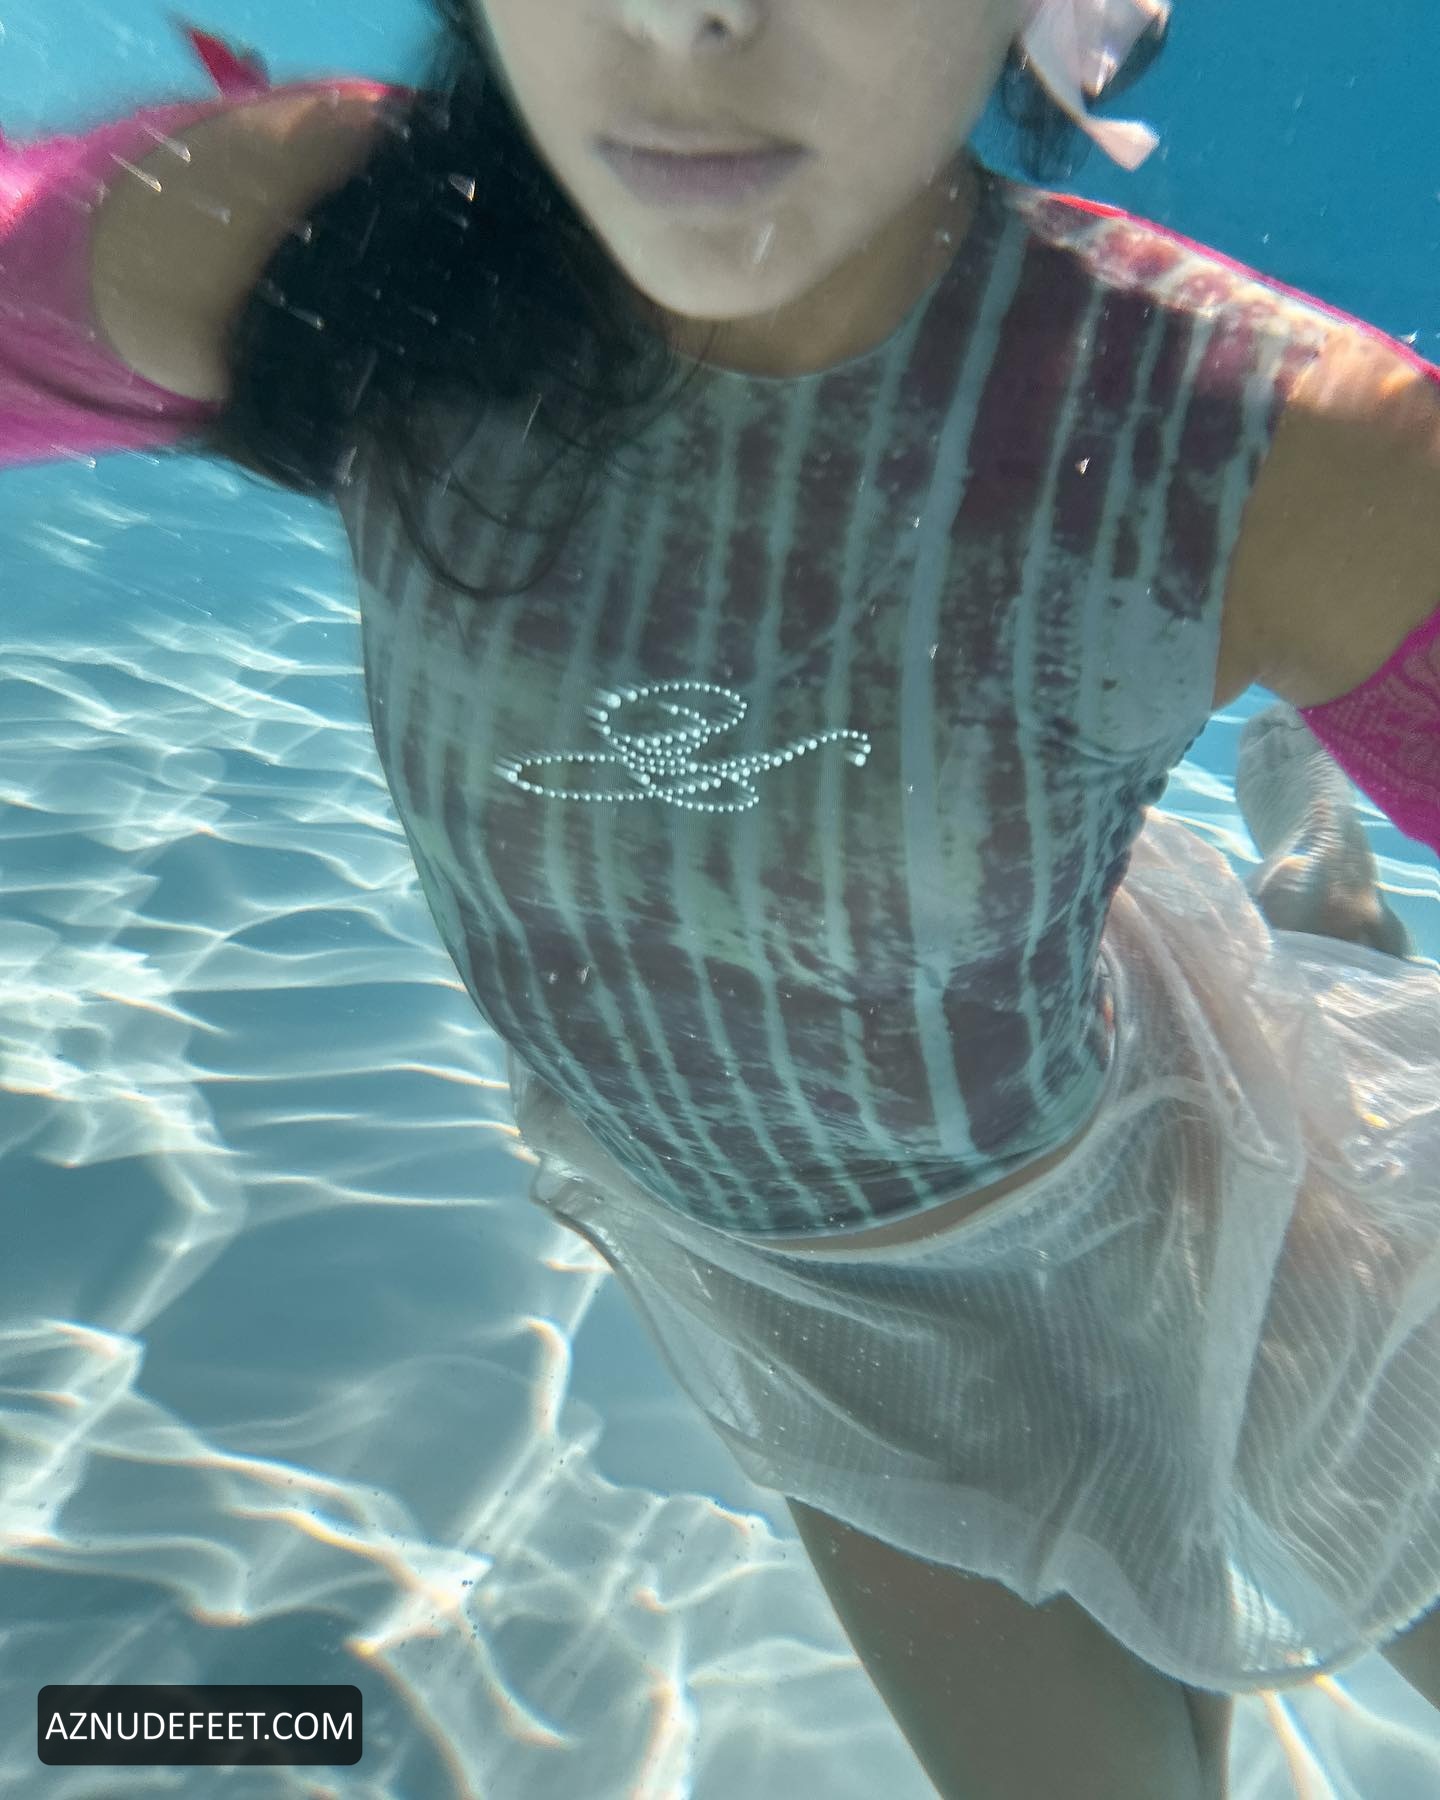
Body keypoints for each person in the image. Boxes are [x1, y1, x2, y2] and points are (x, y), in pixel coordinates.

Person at [2, 5, 1439, 1795]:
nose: (690, 16)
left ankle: (1316, 866)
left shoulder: (1258, 437)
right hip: (801, 1307)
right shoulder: (344, 249)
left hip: (1152, 1176)